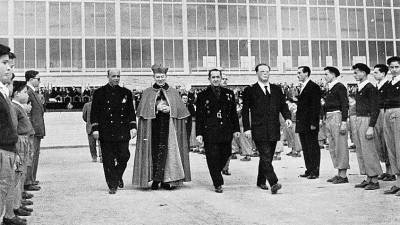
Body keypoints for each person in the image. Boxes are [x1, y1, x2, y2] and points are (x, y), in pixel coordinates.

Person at [133, 64, 191, 190]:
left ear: (166, 76)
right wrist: (155, 108)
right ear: (154, 77)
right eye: (158, 76)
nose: (160, 79)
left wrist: (170, 108)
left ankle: (167, 180)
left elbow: (181, 110)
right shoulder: (147, 92)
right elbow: (141, 110)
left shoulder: (173, 92)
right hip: (152, 126)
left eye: (162, 76)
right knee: (153, 151)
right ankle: (155, 179)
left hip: (169, 126)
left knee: (168, 151)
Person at [242, 63, 292, 194]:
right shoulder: (250, 90)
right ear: (257, 73)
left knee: (267, 156)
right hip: (258, 129)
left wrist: (287, 118)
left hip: (273, 128)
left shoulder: (276, 89)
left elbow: (283, 106)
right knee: (264, 154)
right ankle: (273, 182)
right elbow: (244, 111)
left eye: (267, 71)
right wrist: (247, 128)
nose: (265, 73)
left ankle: (260, 180)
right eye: (262, 71)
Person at [90, 69, 137, 194]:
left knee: (124, 155)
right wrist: (95, 129)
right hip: (106, 130)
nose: (116, 78)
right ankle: (112, 184)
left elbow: (131, 112)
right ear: (108, 77)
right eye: (114, 76)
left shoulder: (126, 93)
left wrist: (133, 127)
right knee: (108, 159)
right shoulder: (99, 93)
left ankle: (116, 175)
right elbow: (94, 113)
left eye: (118, 76)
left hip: (122, 129)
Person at [196, 68, 240, 193]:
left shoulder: (229, 93)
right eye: (213, 77)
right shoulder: (202, 95)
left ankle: (216, 171)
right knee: (212, 156)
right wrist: (199, 133)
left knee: (226, 153)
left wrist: (236, 129)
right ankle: (217, 182)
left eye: (217, 77)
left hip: (225, 130)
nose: (215, 79)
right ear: (209, 79)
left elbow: (233, 114)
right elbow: (200, 116)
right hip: (209, 131)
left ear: (221, 78)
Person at [0, 44, 26, 225]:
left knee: (5, 189)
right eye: (4, 63)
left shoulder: (3, 94)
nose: (9, 68)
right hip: (3, 148)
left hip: (8, 147)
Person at [352, 63, 382, 190]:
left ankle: (374, 179)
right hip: (359, 119)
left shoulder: (370, 88)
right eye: (354, 72)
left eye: (357, 72)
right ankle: (368, 177)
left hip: (367, 119)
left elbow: (375, 108)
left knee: (369, 150)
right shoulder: (360, 87)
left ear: (364, 73)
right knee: (361, 149)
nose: (355, 74)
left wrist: (371, 126)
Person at [11, 81, 35, 217]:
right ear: (17, 93)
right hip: (20, 140)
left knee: (21, 172)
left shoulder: (20, 107)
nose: (27, 95)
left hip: (24, 139)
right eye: (25, 92)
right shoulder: (15, 107)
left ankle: (18, 201)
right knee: (18, 173)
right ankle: (15, 205)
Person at [323, 67, 350, 184]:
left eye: (327, 74)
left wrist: (344, 121)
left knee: (340, 145)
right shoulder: (329, 88)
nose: (325, 77)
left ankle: (343, 175)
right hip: (329, 117)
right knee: (333, 146)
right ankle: (339, 172)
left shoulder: (340, 87)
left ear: (333, 74)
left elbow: (345, 104)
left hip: (337, 116)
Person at [296, 66, 322, 179]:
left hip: (309, 123)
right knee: (306, 147)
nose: (298, 75)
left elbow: (316, 106)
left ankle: (315, 171)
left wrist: (313, 123)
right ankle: (309, 169)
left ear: (306, 73)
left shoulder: (313, 87)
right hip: (302, 123)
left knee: (312, 147)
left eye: (299, 73)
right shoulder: (303, 86)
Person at [372, 64, 395, 181]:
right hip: (377, 114)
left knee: (387, 141)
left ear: (383, 73)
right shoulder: (376, 86)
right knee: (380, 141)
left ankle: (391, 171)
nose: (374, 74)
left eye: (376, 72)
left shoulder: (388, 86)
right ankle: (387, 169)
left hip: (384, 112)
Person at [25, 70, 45, 191]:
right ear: (31, 79)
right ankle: (28, 180)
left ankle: (32, 177)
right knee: (32, 155)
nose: (39, 81)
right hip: (33, 129)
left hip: (36, 128)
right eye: (38, 79)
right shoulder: (28, 91)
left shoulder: (33, 92)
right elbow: (27, 112)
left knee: (35, 154)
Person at [383, 56, 400, 195]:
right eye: (392, 67)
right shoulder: (389, 84)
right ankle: (397, 182)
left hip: (398, 113)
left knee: (399, 148)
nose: (394, 70)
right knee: (392, 148)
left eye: (397, 67)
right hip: (387, 113)